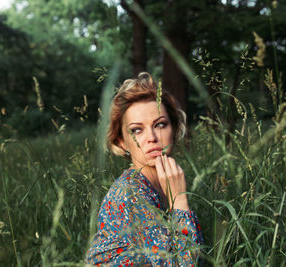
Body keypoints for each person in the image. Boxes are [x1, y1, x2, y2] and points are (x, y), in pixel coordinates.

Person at [86, 72, 203, 266]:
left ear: (173, 129)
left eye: (160, 125)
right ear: (121, 141)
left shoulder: (164, 180)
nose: (152, 137)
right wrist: (180, 201)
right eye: (136, 130)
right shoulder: (130, 193)